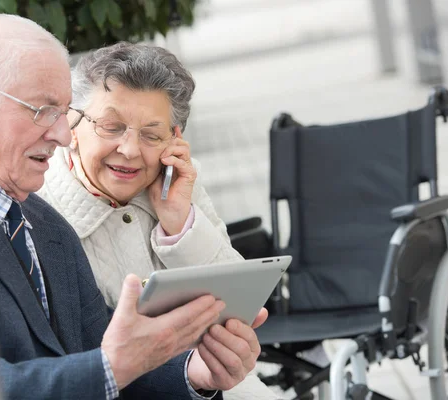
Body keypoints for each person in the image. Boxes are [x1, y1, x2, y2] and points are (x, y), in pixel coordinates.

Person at [0, 14, 267, 400]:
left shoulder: (45, 226)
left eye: (63, 114)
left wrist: (194, 373)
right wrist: (111, 367)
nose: (60, 134)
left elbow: (108, 351)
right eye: (42, 110)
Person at [36, 43, 278, 400]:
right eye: (111, 126)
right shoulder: (39, 211)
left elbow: (239, 306)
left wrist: (180, 223)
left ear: (174, 138)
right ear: (72, 123)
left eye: (151, 134)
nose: (130, 150)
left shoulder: (176, 185)